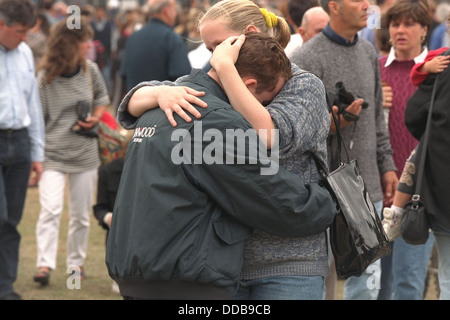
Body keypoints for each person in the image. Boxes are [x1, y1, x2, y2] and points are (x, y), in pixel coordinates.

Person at [117, 0, 333, 300]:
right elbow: (130, 105)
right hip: (223, 261)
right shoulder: (218, 81)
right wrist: (160, 92)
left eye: (218, 47)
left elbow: (266, 135)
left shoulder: (301, 85)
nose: (213, 57)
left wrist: (227, 72)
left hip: (288, 259)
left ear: (250, 33)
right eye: (209, 50)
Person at [290, 0, 398, 300]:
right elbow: (294, 131)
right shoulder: (305, 57)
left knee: (366, 282)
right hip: (319, 188)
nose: (368, 5)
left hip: (367, 186)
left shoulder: (367, 51)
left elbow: (377, 116)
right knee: (317, 278)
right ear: (334, 6)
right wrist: (335, 121)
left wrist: (386, 164)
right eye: (358, 0)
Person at [32, 16, 111, 287]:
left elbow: (102, 100)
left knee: (80, 215)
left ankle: (75, 266)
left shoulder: (90, 70)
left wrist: (95, 118)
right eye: (84, 40)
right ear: (69, 44)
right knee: (50, 209)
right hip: (52, 153)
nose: (89, 44)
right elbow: (38, 120)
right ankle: (44, 264)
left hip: (85, 153)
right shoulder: (44, 78)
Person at [377, 0, 435, 300]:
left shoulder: (435, 73)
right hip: (376, 189)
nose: (400, 30)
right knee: (374, 283)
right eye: (395, 24)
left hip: (418, 194)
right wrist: (373, 103)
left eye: (409, 24)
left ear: (424, 29)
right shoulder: (375, 69)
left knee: (409, 283)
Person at [383, 47, 450, 300]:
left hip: (442, 191)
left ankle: (396, 213)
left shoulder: (443, 64)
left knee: (447, 274)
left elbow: (413, 115)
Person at [0, 0, 44, 301]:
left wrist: (37, 152)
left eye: (28, 32)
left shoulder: (25, 52)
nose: (24, 38)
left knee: (12, 220)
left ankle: (5, 286)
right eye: (19, 32)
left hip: (21, 141)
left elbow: (32, 104)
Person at [119, 0, 192, 92]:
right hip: (164, 104)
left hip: (135, 102)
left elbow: (124, 74)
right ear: (166, 11)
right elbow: (184, 78)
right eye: (174, 10)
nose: (176, 14)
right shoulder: (171, 39)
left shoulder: (132, 38)